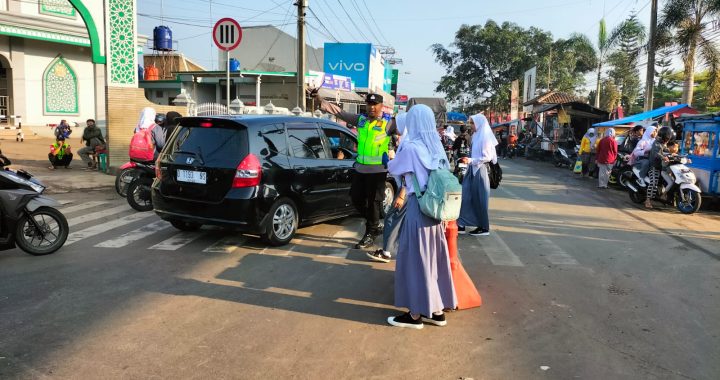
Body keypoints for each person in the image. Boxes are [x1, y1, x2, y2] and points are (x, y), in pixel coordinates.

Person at [386, 104, 456, 329]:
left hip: (418, 205)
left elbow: (393, 168)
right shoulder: (436, 147)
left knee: (415, 258)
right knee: (433, 257)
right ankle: (436, 310)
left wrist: (389, 156)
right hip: (435, 208)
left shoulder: (413, 148)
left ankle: (415, 314)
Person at [311, 89, 398, 249]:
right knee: (356, 199)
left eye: (375, 104)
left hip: (377, 171)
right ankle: (374, 224)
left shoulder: (389, 123)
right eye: (369, 104)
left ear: (381, 106)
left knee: (373, 203)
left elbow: (406, 131)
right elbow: (340, 112)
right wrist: (320, 100)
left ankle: (370, 233)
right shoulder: (361, 120)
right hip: (360, 169)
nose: (371, 107)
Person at [367, 113, 408, 263]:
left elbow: (409, 172)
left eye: (397, 124)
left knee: (392, 218)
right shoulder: (408, 140)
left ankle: (386, 252)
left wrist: (401, 194)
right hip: (409, 189)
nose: (395, 128)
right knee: (400, 221)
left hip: (407, 189)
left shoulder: (409, 143)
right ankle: (397, 250)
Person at [457, 112, 497, 236]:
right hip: (472, 169)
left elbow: (487, 157)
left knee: (481, 199)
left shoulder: (485, 136)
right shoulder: (476, 135)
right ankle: (461, 224)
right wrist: (468, 159)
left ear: (479, 123)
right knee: (465, 195)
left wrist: (470, 160)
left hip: (481, 170)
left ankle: (484, 227)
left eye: (473, 123)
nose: (471, 125)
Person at [645, 126, 674, 208]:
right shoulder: (657, 143)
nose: (669, 138)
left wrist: (674, 155)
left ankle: (663, 196)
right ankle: (648, 200)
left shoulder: (663, 144)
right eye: (668, 136)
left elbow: (667, 152)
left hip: (662, 167)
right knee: (653, 182)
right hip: (654, 166)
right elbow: (656, 153)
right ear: (665, 136)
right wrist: (663, 157)